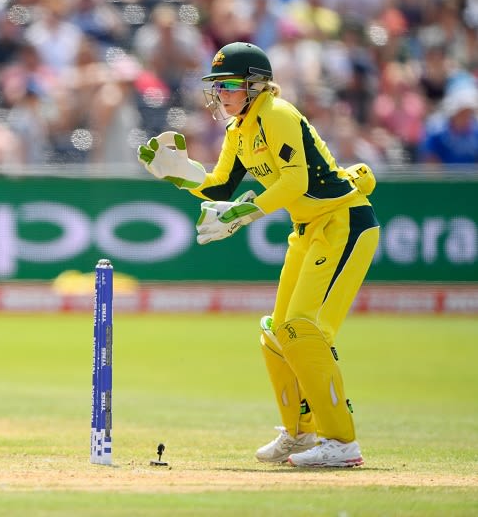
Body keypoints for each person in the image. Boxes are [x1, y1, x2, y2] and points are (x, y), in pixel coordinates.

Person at [138, 42, 379, 468]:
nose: (222, 94)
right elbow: (218, 186)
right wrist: (179, 172)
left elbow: (294, 182)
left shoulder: (277, 114)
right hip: (307, 231)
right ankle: (301, 435)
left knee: (302, 330)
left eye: (230, 85)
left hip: (344, 222)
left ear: (255, 85)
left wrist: (244, 214)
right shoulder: (239, 130)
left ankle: (342, 443)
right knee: (276, 335)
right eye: (218, 86)